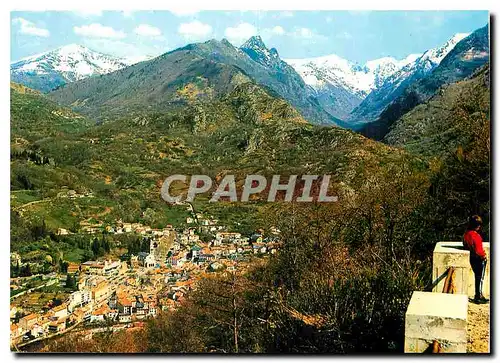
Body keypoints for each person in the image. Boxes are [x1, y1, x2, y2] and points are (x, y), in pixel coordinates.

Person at [463, 215, 488, 304]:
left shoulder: (466, 234)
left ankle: (478, 295)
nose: (479, 226)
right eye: (478, 225)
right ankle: (478, 296)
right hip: (479, 259)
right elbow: (479, 250)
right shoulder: (475, 236)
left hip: (472, 258)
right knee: (480, 278)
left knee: (477, 277)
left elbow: (465, 244)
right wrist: (484, 257)